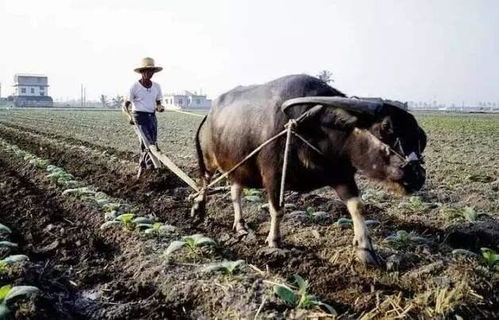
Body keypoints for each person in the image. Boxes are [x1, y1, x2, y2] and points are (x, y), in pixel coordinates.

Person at [123, 57, 166, 180]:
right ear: (142, 72)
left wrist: (160, 107)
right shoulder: (134, 87)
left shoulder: (156, 86)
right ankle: (152, 170)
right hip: (139, 118)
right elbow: (125, 105)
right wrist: (129, 116)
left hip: (151, 117)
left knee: (152, 144)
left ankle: (141, 173)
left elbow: (158, 103)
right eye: (146, 71)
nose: (149, 74)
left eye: (151, 71)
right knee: (147, 145)